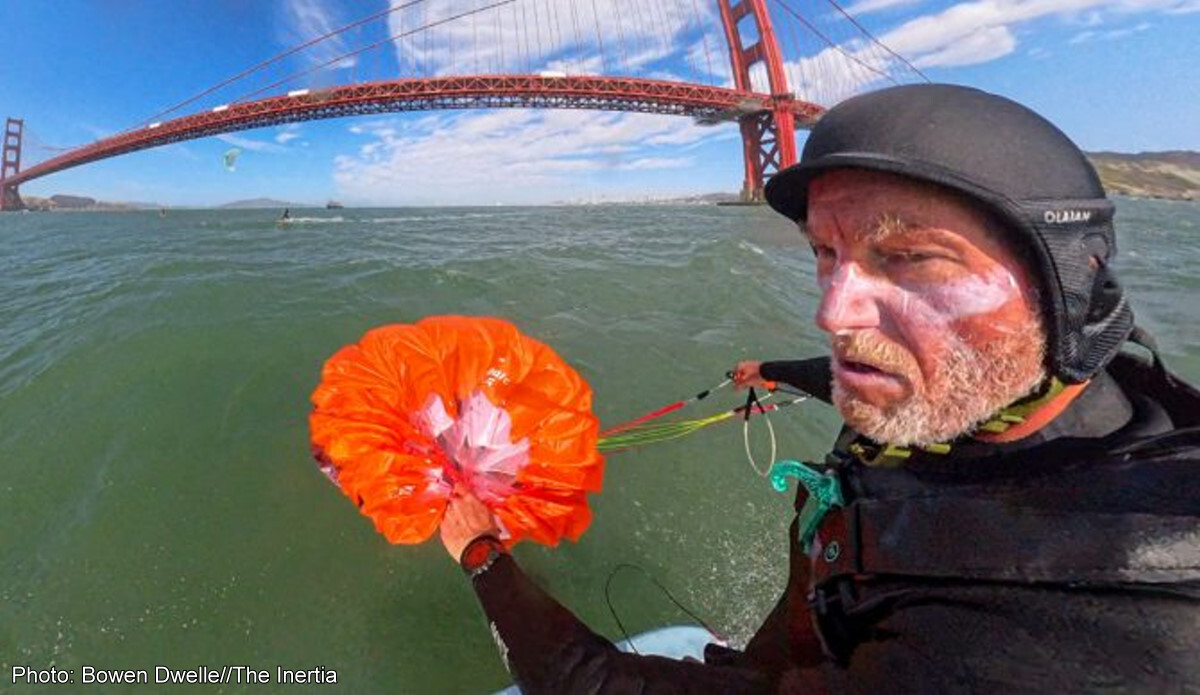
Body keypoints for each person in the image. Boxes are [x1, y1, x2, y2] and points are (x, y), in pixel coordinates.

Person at [439, 84, 1200, 692]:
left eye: (911, 257)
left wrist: (481, 552)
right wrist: (774, 371)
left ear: (1067, 283)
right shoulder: (989, 393)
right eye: (826, 252)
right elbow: (872, 395)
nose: (832, 311)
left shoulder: (1020, 645)